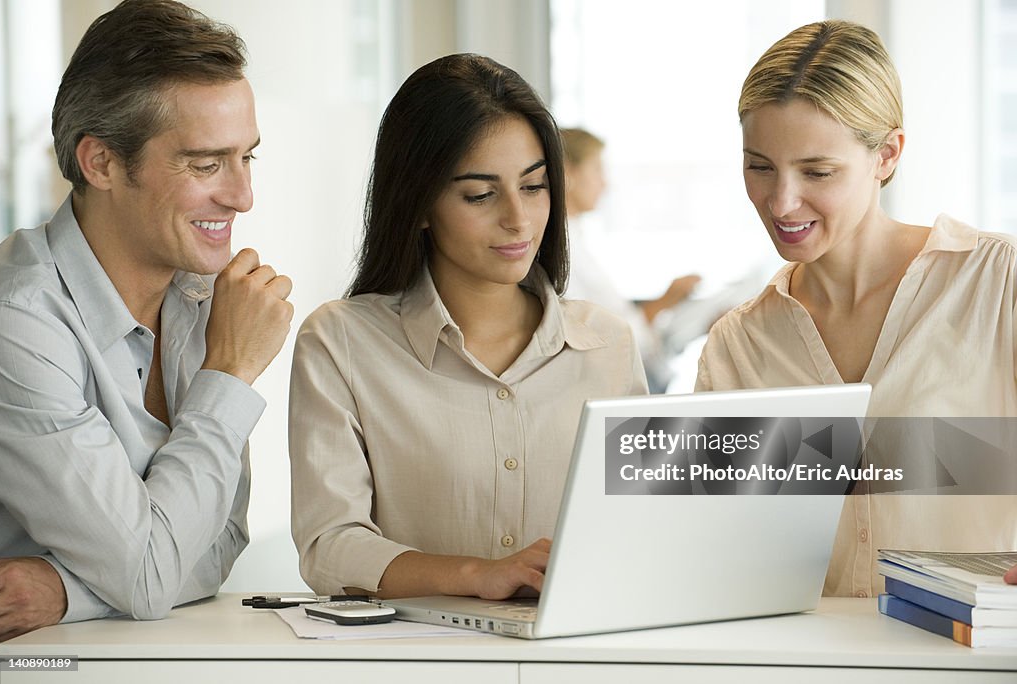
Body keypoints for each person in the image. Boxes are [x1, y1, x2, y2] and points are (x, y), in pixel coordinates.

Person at [289, 54, 647, 600]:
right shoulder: (340, 342)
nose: (518, 219)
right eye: (480, 194)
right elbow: (330, 546)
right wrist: (476, 575)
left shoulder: (607, 344)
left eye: (534, 186)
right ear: (419, 203)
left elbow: (639, 532)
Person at [0, 0, 293, 642]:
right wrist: (231, 372)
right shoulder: (14, 321)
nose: (242, 195)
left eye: (248, 159)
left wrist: (65, 589)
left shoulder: (205, 294)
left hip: (132, 654)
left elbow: (220, 543)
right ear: (101, 162)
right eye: (206, 164)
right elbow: (154, 572)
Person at [695, 19, 1017, 595]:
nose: (781, 201)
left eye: (817, 171)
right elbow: (718, 546)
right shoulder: (739, 344)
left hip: (974, 661)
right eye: (760, 166)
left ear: (887, 155)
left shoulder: (997, 283)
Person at [561, 128, 700, 392]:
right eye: (597, 170)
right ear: (568, 173)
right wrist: (663, 303)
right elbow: (598, 335)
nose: (605, 184)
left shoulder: (577, 237)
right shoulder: (563, 250)